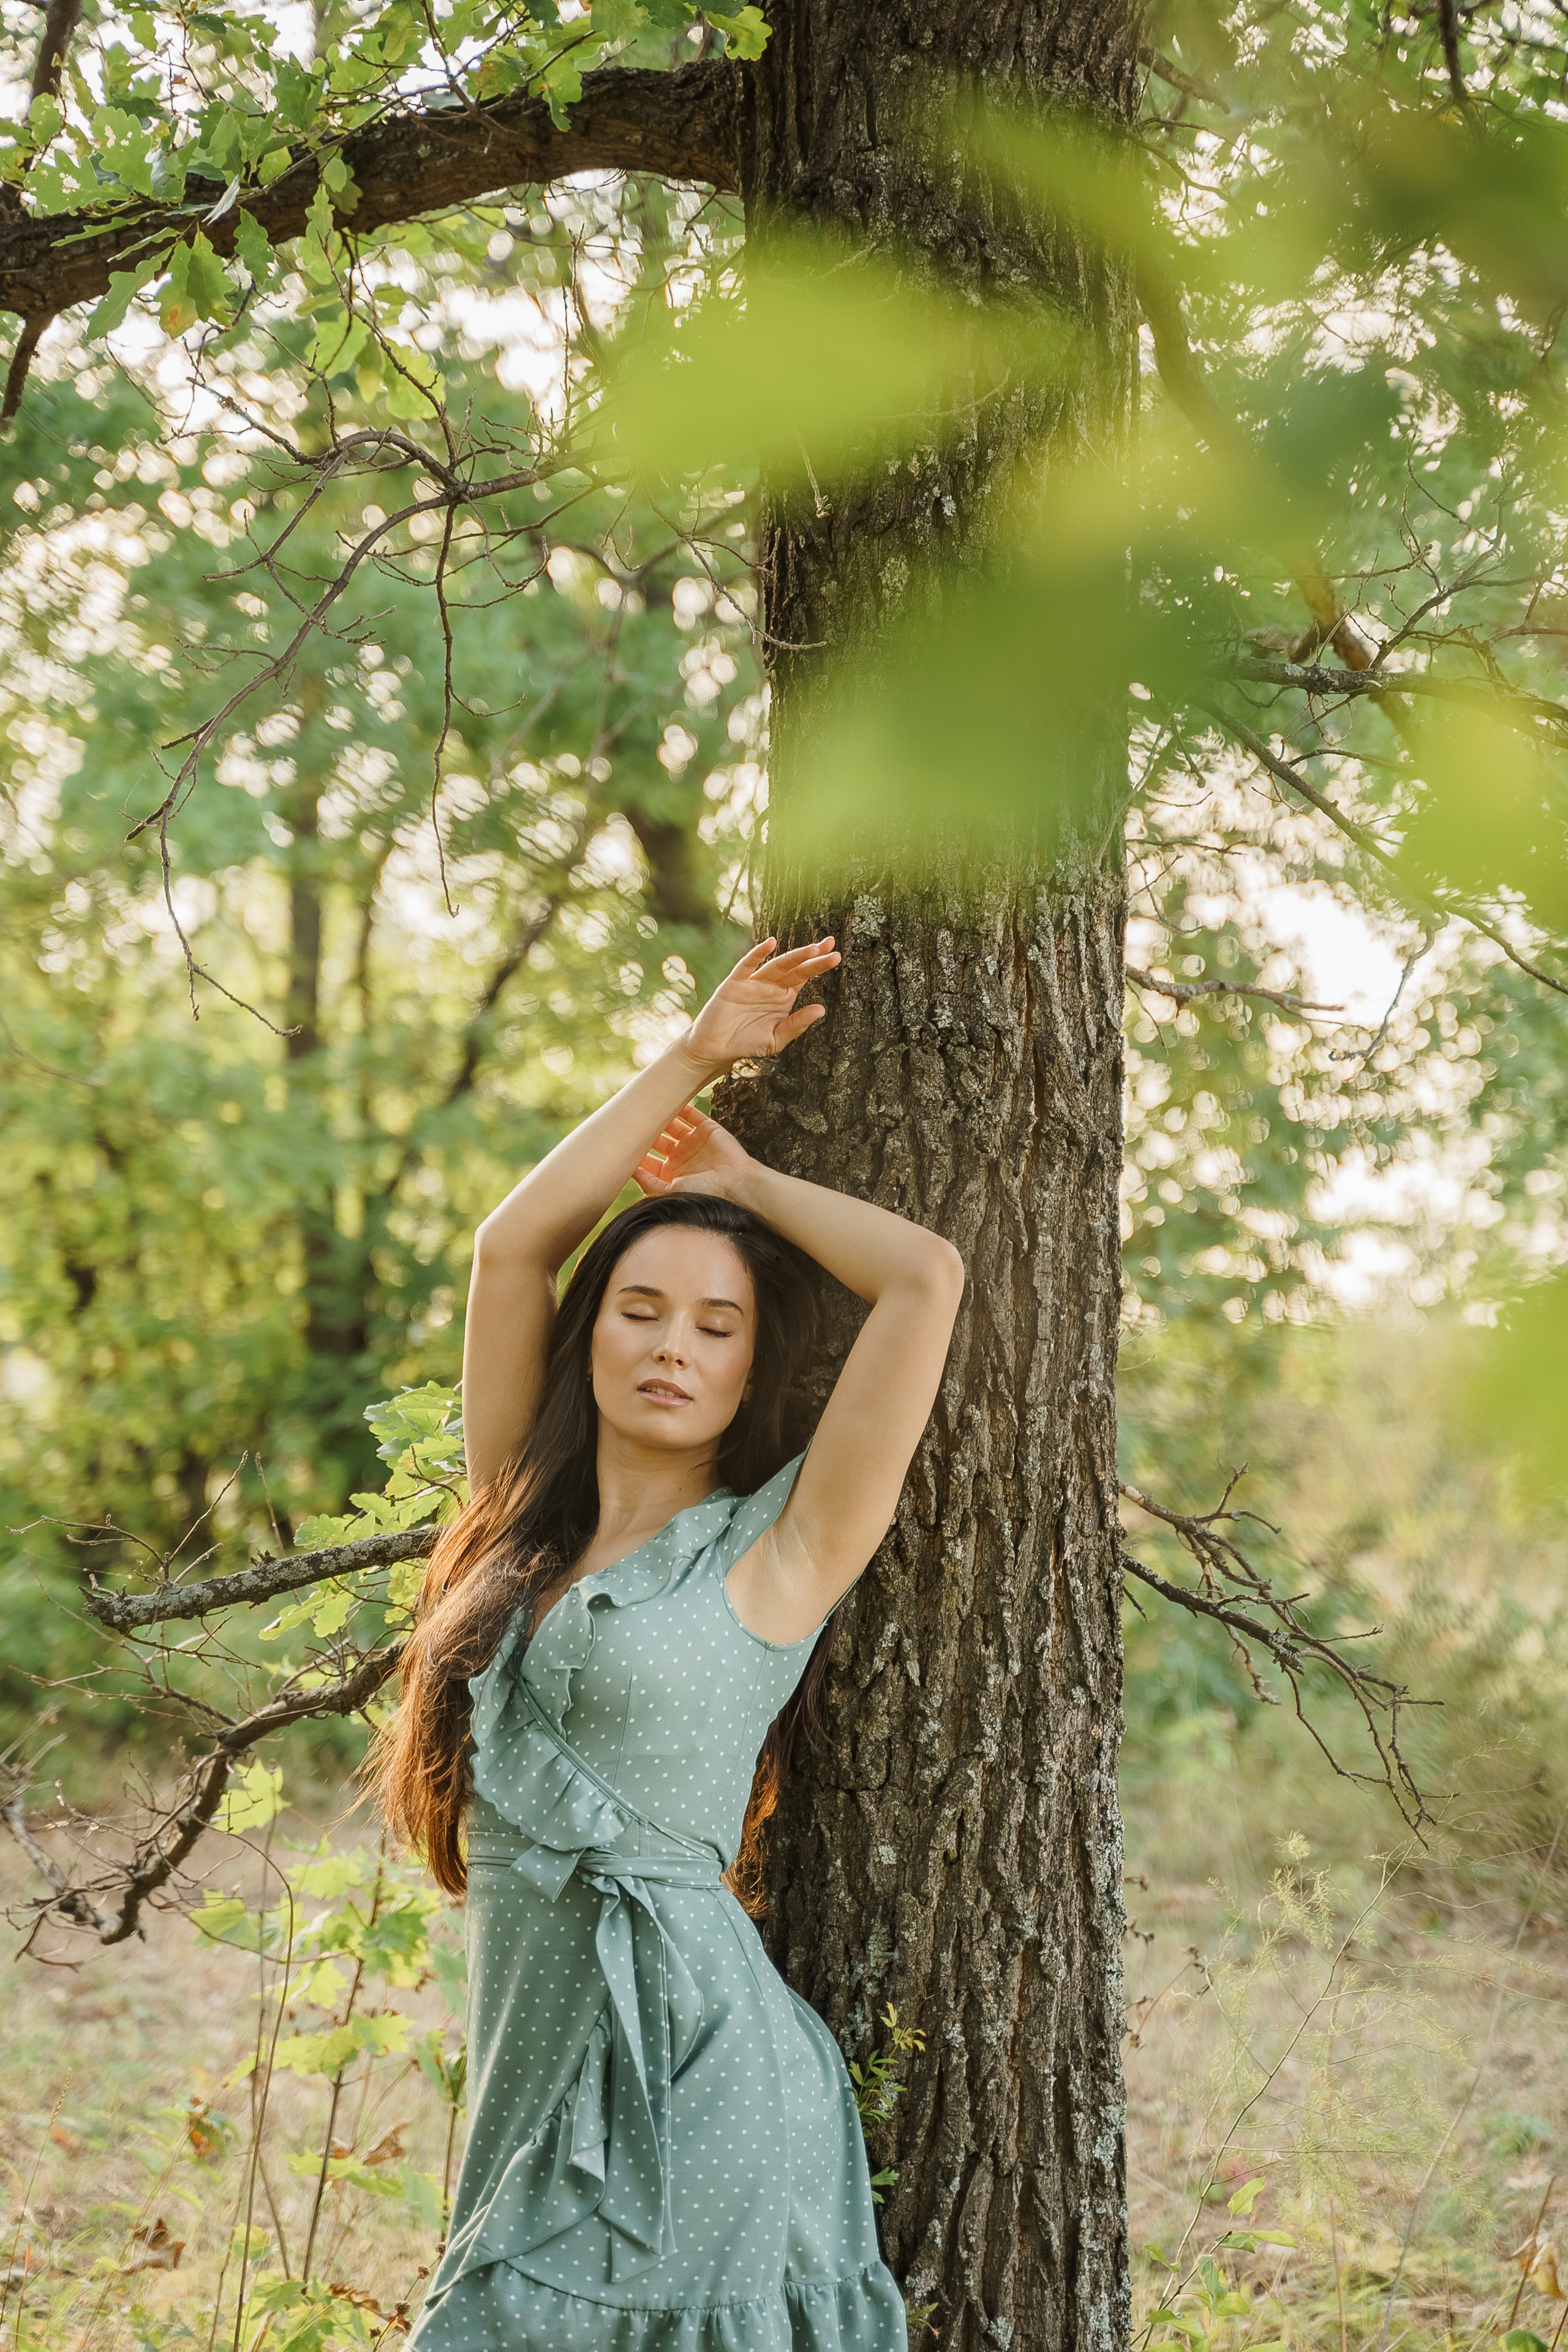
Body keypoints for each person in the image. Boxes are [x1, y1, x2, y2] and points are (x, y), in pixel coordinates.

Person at [374, 935, 965, 2351]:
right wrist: (693, 1060)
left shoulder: (780, 1548)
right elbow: (510, 1245)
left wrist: (743, 1184)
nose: (672, 1347)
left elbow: (925, 1280)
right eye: (640, 1310)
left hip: (703, 2078)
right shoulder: (519, 1516)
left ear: (749, 1369)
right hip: (531, 2079)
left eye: (716, 1326)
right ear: (594, 1337)